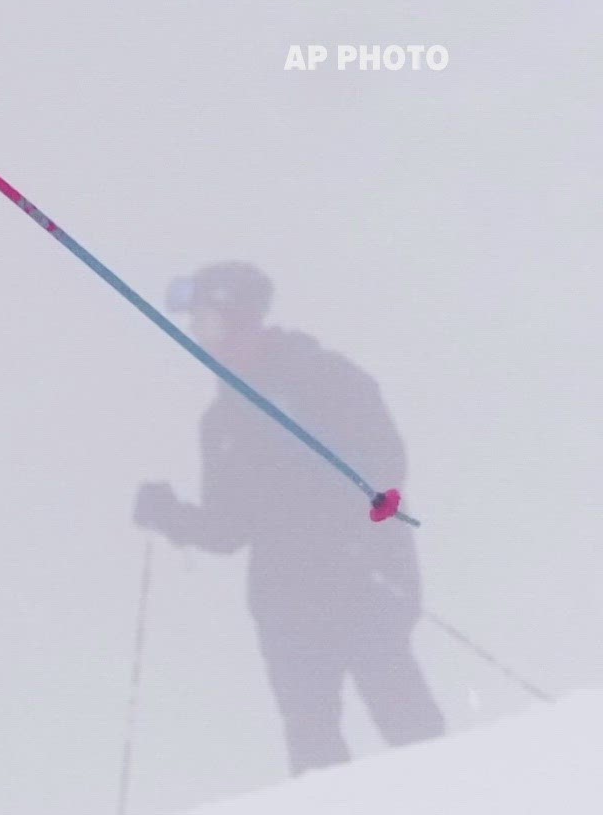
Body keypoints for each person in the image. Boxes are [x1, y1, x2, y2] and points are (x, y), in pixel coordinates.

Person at [134, 261, 444, 775]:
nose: (202, 341)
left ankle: (455, 811)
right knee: (311, 737)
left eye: (208, 324)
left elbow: (386, 467)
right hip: (287, 598)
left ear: (243, 317)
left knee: (398, 704)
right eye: (197, 329)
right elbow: (228, 530)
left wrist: (327, 511)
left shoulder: (325, 377)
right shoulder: (222, 422)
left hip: (361, 573)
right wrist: (169, 515)